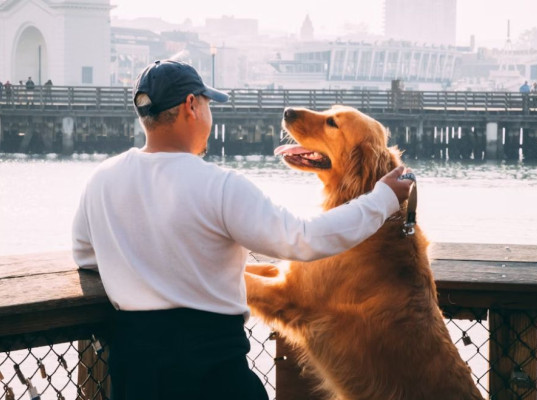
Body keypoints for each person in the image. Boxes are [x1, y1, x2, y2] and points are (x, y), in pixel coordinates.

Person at [72, 59, 414, 400]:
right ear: (192, 106)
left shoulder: (100, 180)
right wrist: (383, 199)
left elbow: (86, 257)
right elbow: (302, 238)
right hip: (212, 371)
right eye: (207, 104)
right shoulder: (219, 185)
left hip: (135, 374)